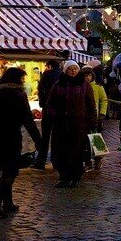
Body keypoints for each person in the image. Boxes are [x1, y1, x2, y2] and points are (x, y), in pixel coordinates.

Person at [0, 67, 41, 218]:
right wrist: (38, 140)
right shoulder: (18, 94)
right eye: (22, 78)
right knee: (11, 170)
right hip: (11, 135)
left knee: (6, 168)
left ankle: (8, 203)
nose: (23, 81)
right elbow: (27, 119)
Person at [46, 60, 96, 188]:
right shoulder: (58, 84)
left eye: (75, 69)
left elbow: (91, 105)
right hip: (61, 124)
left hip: (79, 125)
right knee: (61, 152)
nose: (73, 71)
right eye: (70, 69)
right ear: (65, 70)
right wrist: (54, 115)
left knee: (76, 152)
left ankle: (75, 176)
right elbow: (51, 103)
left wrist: (92, 122)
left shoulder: (84, 85)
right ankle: (64, 177)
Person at [32, 59, 61, 169]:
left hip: (48, 109)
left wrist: (42, 103)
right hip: (59, 111)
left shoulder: (47, 74)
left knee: (45, 136)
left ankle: (41, 161)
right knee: (56, 137)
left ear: (49, 66)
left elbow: (40, 88)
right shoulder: (62, 75)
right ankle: (55, 161)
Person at [81, 63, 108, 170]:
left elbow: (104, 100)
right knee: (85, 141)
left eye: (89, 75)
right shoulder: (80, 87)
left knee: (97, 139)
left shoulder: (98, 87)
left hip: (95, 118)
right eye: (85, 76)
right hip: (83, 118)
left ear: (92, 76)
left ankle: (98, 160)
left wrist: (102, 114)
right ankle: (87, 161)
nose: (87, 77)